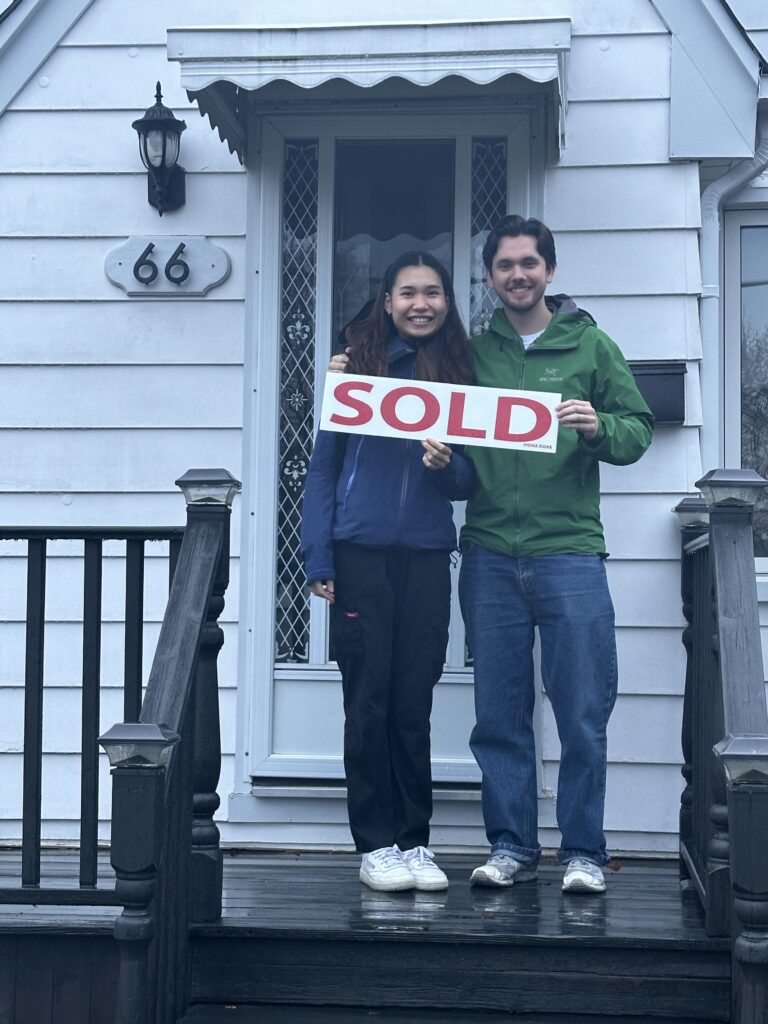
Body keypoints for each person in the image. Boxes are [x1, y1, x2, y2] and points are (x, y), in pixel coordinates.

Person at [461, 215, 654, 893]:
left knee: (579, 711)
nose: (518, 274)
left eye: (529, 263)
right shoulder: (471, 352)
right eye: (505, 265)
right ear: (489, 277)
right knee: (499, 714)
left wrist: (600, 426)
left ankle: (583, 853)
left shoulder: (590, 346)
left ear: (549, 270)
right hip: (487, 555)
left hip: (569, 553)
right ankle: (511, 846)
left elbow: (638, 431)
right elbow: (419, 403)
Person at [301, 252, 474, 893]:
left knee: (413, 705)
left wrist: (445, 465)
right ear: (387, 299)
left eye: (433, 293)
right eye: (408, 292)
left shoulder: (459, 373)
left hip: (427, 558)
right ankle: (374, 845)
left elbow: (467, 480)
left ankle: (415, 842)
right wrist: (318, 555)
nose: (421, 303)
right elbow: (322, 470)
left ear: (448, 303)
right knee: (367, 701)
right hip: (359, 555)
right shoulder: (352, 371)